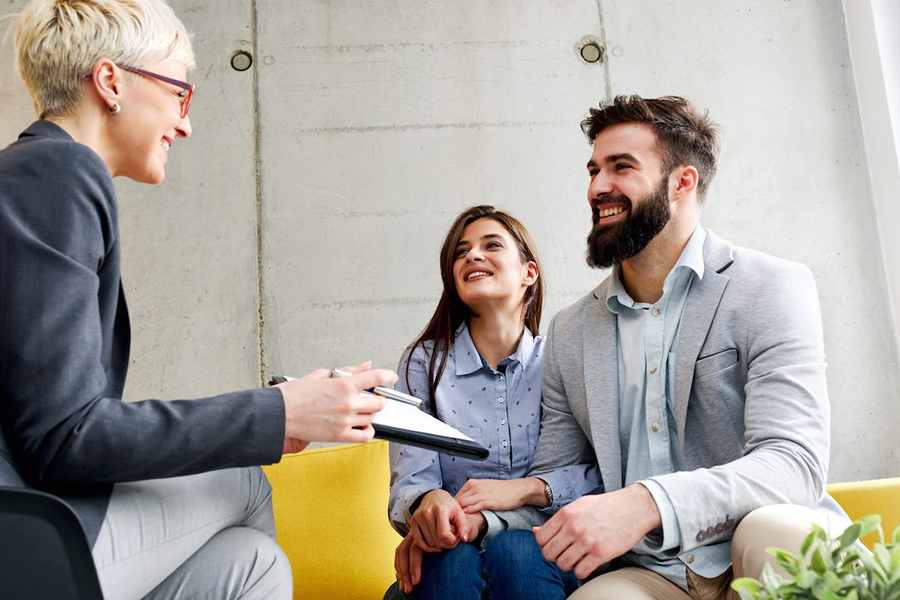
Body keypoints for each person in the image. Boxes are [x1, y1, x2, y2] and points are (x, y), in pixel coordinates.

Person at [0, 2, 395, 599]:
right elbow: (65, 438)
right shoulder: (56, 174)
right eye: (180, 94)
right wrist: (280, 411)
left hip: (28, 523)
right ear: (111, 83)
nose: (185, 124)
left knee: (251, 564)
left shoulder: (33, 178)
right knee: (245, 484)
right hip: (21, 539)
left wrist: (281, 412)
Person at [454, 96, 850, 599]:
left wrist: (649, 502)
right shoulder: (572, 331)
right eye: (593, 170)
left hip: (757, 544)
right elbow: (558, 484)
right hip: (650, 572)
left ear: (682, 182)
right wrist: (472, 519)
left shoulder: (771, 287)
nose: (598, 187)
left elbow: (794, 464)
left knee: (778, 533)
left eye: (621, 167)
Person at [385, 206, 599, 600]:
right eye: (461, 252)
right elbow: (411, 481)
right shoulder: (423, 363)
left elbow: (595, 478)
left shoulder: (562, 359)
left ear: (529, 273)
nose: (472, 256)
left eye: (491, 245)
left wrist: (514, 500)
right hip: (450, 559)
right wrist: (428, 505)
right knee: (451, 561)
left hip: (541, 560)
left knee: (516, 549)